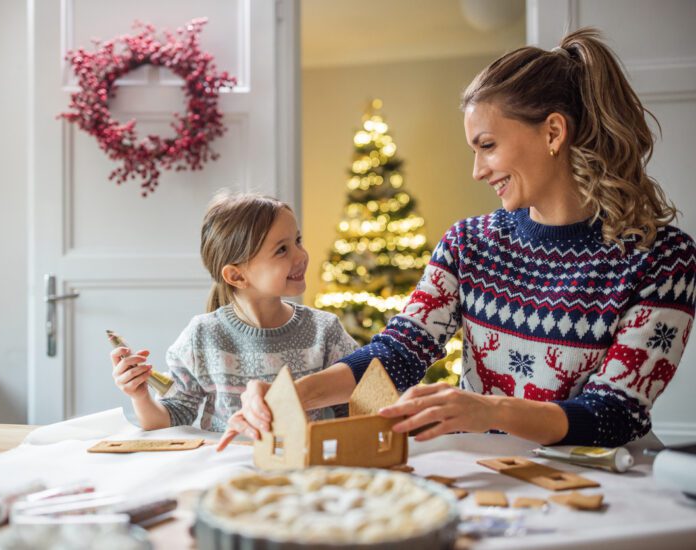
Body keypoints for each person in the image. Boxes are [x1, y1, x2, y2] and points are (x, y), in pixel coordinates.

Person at [217, 27, 696, 451]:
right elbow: (399, 353)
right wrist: (291, 395)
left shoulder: (664, 260)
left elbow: (616, 412)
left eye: (487, 146)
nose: (477, 170)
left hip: (607, 484)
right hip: (487, 470)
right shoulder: (469, 243)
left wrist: (489, 411)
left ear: (553, 131)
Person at [111, 192, 358, 431]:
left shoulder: (324, 331)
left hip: (301, 467)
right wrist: (140, 396)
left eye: (297, 241)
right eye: (282, 249)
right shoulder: (201, 335)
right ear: (236, 275)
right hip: (229, 468)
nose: (301, 255)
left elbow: (358, 402)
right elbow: (171, 417)